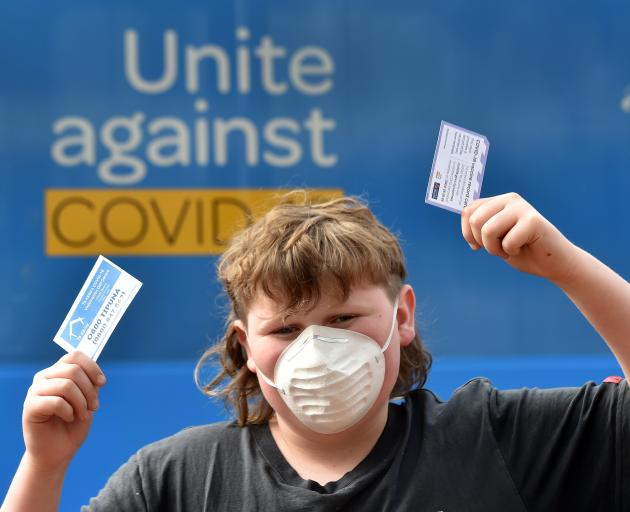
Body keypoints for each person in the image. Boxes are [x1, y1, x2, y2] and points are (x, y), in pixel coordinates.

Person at [2, 192, 629, 511]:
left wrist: (565, 266)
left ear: (401, 317)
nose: (319, 350)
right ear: (246, 347)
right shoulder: (178, 480)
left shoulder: (494, 439)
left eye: (344, 318)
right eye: (286, 330)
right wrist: (44, 466)